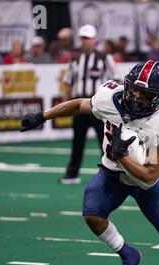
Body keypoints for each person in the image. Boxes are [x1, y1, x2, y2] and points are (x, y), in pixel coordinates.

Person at [19, 60, 159, 265]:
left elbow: (149, 179)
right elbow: (80, 105)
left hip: (142, 180)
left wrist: (122, 156)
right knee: (92, 215)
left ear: (158, 96)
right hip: (111, 174)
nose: (137, 96)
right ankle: (128, 254)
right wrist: (43, 115)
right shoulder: (110, 97)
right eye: (135, 89)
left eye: (146, 93)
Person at [60, 24, 120, 184]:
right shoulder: (75, 58)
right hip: (79, 104)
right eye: (83, 38)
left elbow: (116, 79)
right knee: (77, 140)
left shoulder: (104, 58)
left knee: (105, 139)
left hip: (98, 104)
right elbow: (68, 81)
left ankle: (111, 172)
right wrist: (65, 101)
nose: (86, 41)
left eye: (89, 38)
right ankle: (72, 174)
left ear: (95, 39)